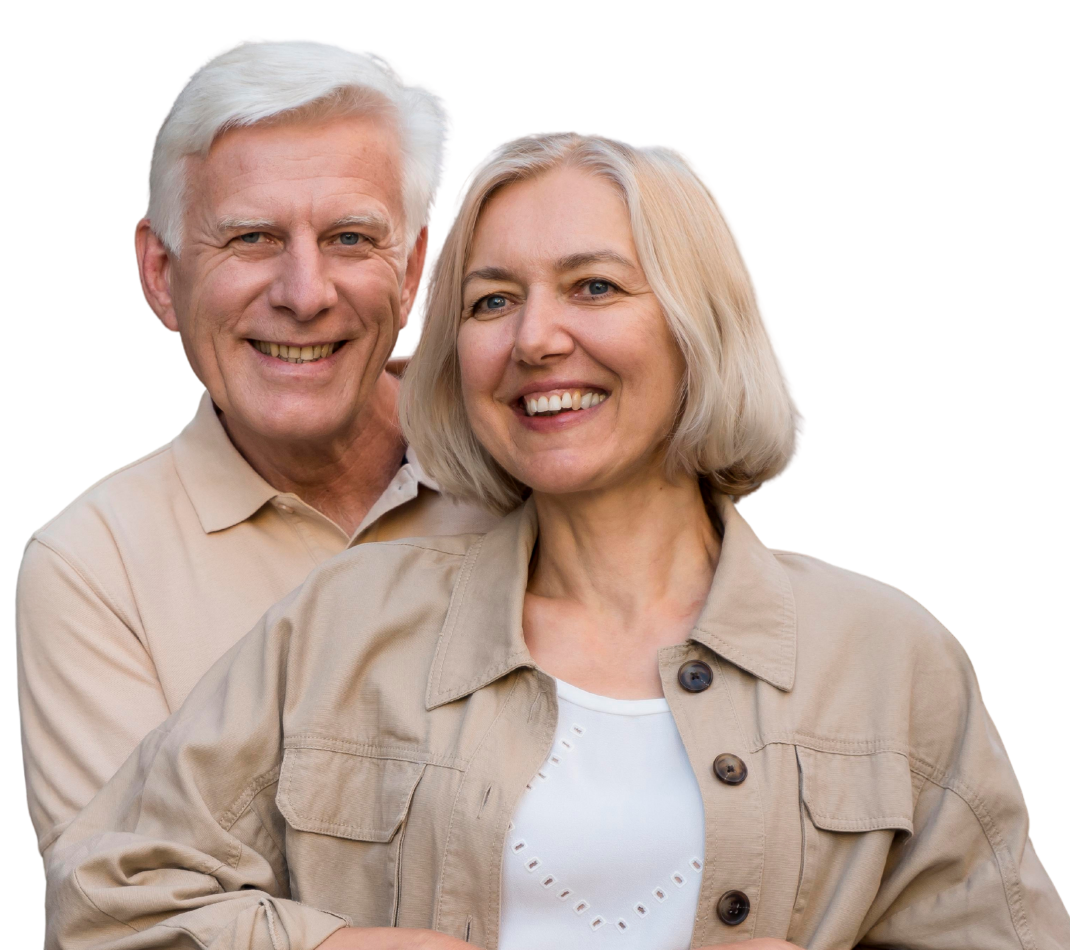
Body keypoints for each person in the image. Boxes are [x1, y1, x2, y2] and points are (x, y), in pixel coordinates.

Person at [43, 130, 1067, 950]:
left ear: (695, 324)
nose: (534, 338)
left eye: (593, 286)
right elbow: (106, 902)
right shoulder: (340, 621)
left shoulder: (888, 653)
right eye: (492, 300)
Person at [14, 36, 499, 865]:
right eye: (251, 239)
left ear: (416, 268)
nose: (305, 294)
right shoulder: (95, 565)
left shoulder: (534, 466)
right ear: (160, 274)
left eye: (351, 237)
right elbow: (129, 913)